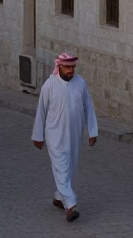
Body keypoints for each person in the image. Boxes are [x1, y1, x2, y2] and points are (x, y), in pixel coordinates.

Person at [32, 52, 99, 223]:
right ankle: (70, 206)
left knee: (70, 166)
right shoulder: (49, 85)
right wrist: (38, 136)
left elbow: (88, 107)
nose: (70, 71)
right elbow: (41, 111)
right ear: (59, 66)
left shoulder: (80, 83)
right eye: (67, 67)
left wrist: (92, 131)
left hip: (75, 133)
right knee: (61, 166)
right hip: (55, 134)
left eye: (72, 67)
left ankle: (58, 197)